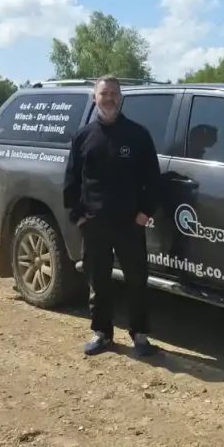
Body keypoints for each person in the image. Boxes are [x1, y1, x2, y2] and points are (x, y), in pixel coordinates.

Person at [62, 74, 162, 356]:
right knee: (99, 281)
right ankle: (102, 333)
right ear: (95, 98)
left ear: (121, 98)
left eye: (114, 94)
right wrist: (78, 216)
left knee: (137, 281)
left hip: (130, 223)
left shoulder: (138, 135)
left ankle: (140, 335)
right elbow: (71, 180)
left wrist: (145, 212)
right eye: (104, 94)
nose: (109, 99)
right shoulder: (83, 136)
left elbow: (152, 179)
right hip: (94, 224)